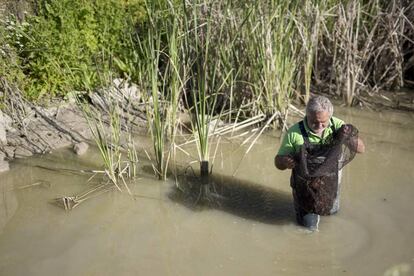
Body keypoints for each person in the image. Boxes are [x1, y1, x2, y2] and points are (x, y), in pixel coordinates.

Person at [275, 95, 365, 231]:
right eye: (314, 122)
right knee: (307, 226)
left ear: (330, 116)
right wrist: (285, 161)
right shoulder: (294, 133)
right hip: (304, 185)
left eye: (323, 122)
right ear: (307, 115)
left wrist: (348, 137)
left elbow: (361, 149)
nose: (319, 126)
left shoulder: (338, 125)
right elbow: (278, 163)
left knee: (331, 214)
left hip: (330, 182)